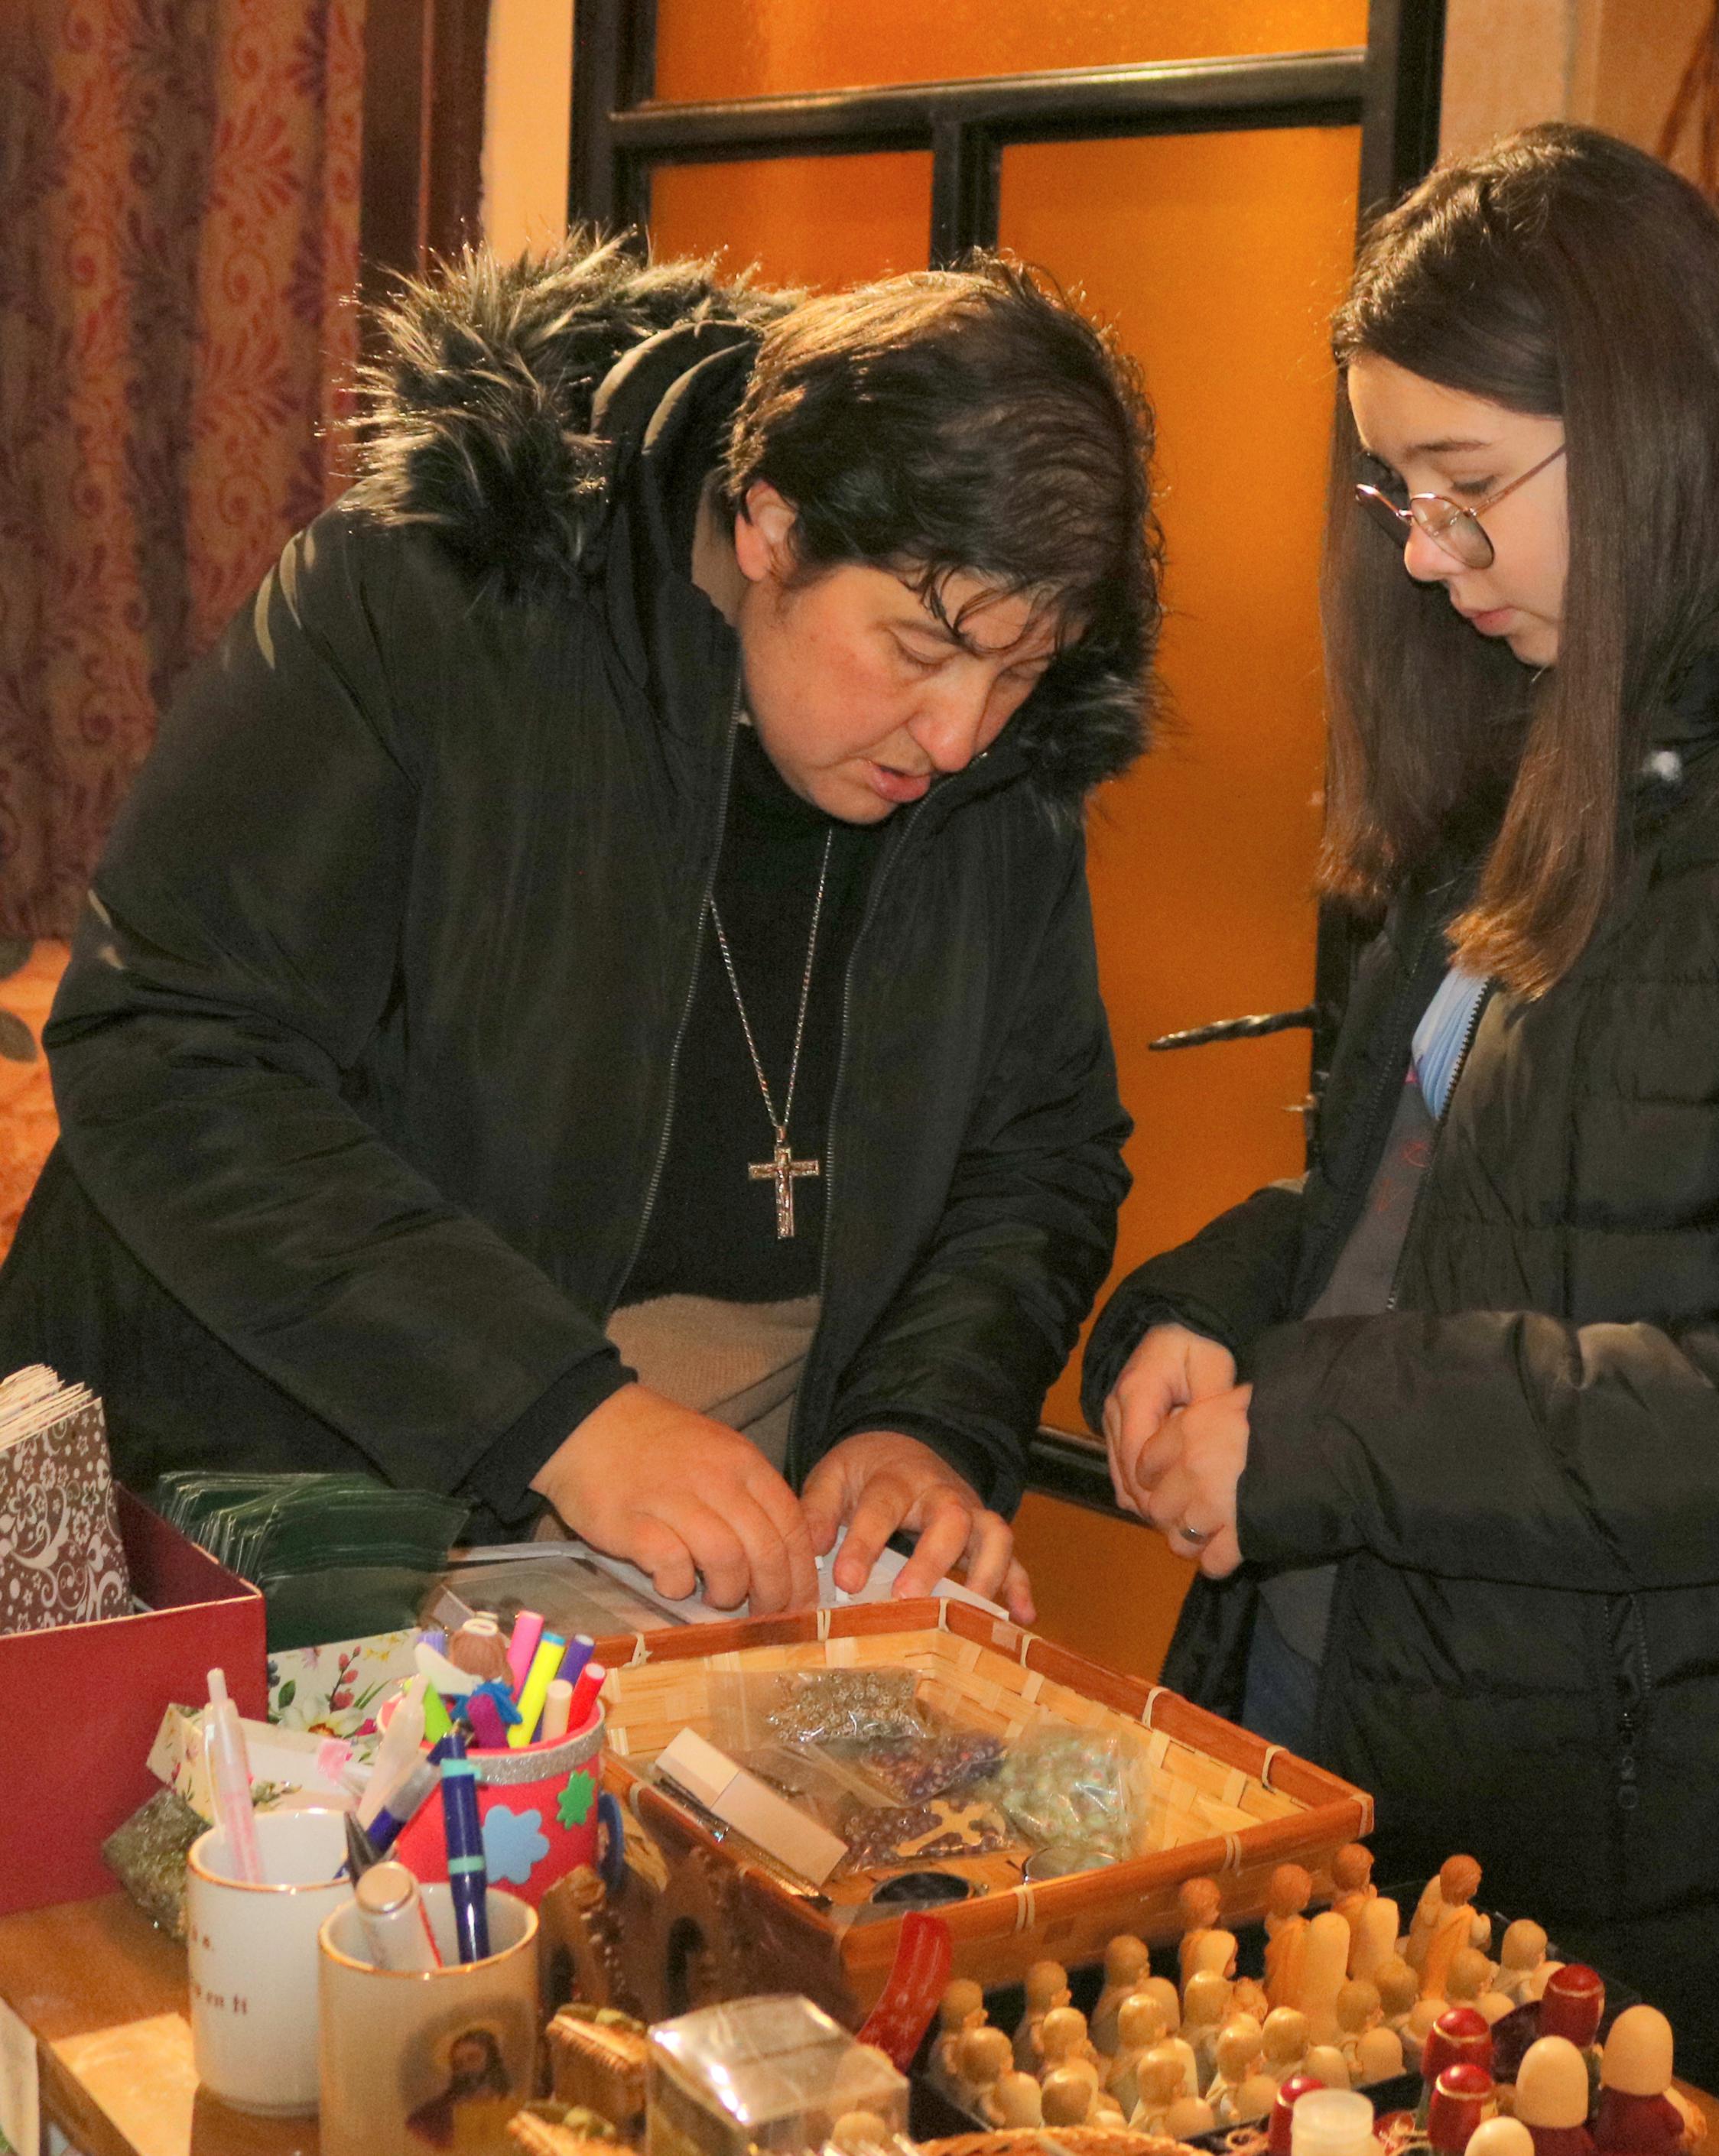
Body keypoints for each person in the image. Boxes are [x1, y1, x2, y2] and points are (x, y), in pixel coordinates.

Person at [1082, 125, 1719, 2151]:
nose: (1427, 560)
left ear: (1645, 430)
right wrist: (1200, 1310)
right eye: (1396, 496)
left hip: (1659, 1811)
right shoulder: (1539, 748)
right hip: (1379, 1706)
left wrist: (1336, 1420)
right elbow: (1420, 1199)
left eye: (1466, 494)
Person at [0, 240, 1156, 1618]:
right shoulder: (431, 599)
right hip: (296, 1466)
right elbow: (174, 1046)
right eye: (915, 650)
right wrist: (553, 1410)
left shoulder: (1008, 763)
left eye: (1018, 672)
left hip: (711, 1509)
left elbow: (1039, 1148)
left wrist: (926, 1422)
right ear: (769, 525)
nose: (962, 733)